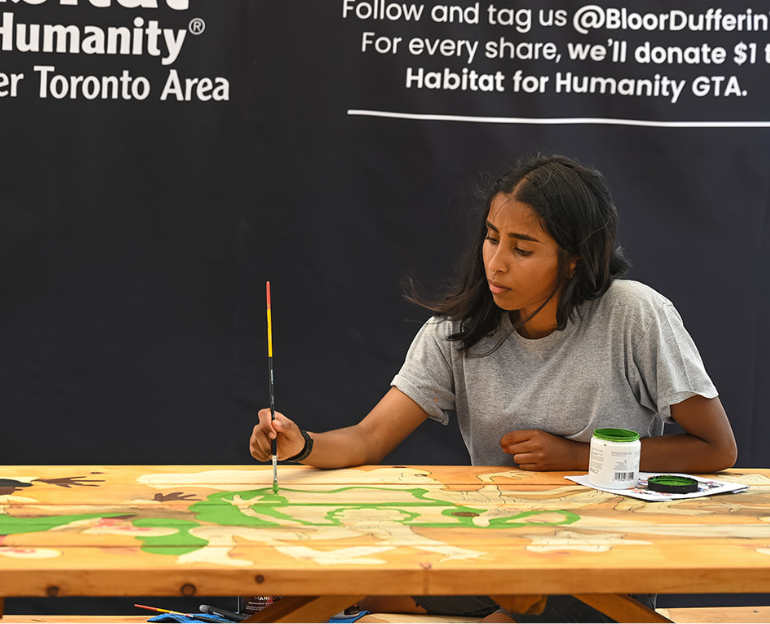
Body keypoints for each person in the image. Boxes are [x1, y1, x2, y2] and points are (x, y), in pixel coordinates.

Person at [248, 153, 737, 624]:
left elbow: (715, 448)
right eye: (491, 237)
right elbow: (369, 438)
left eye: (522, 249)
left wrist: (576, 457)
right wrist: (302, 444)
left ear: (574, 261)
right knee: (315, 594)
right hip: (494, 550)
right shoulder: (455, 333)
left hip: (603, 558)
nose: (496, 263)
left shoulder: (633, 313)